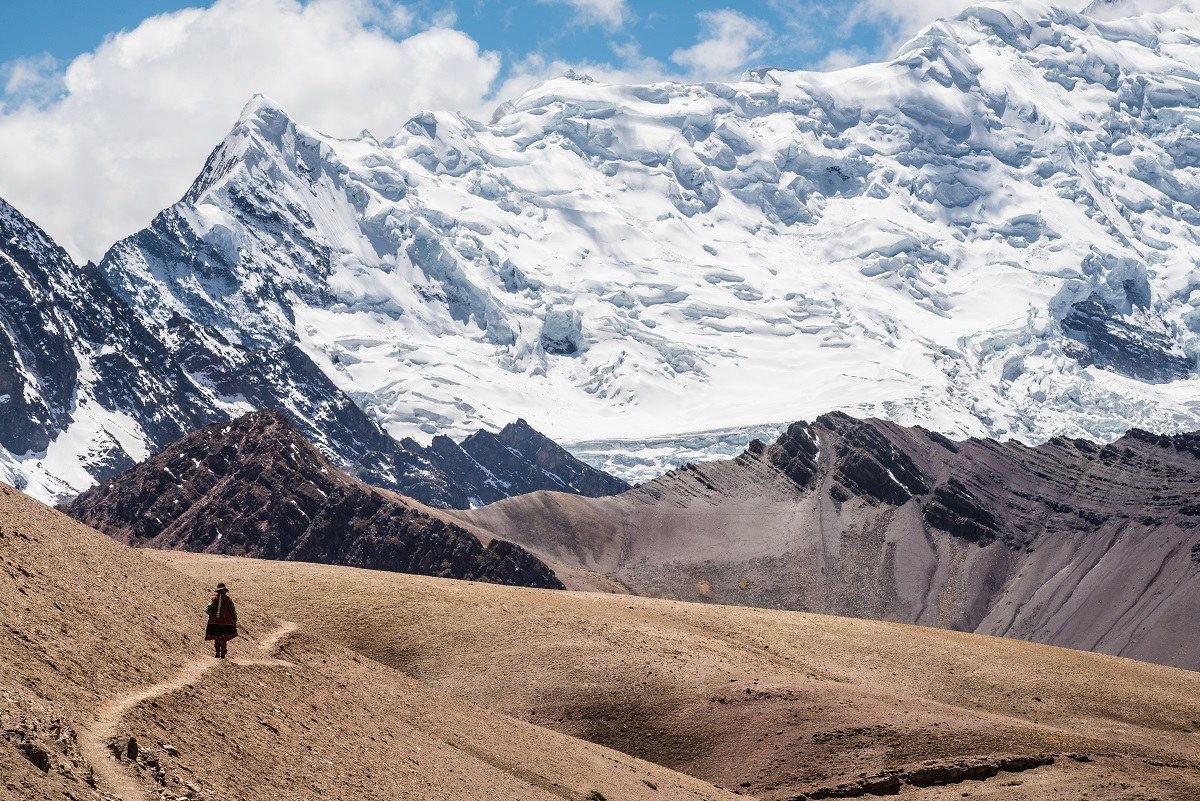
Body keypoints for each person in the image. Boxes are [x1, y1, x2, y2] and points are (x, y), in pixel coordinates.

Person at [204, 582, 238, 659]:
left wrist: (213, 615)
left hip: (214, 623)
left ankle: (217, 654)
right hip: (227, 623)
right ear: (225, 591)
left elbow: (207, 609)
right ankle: (223, 655)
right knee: (224, 639)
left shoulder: (214, 599)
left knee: (216, 637)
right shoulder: (229, 600)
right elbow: (233, 611)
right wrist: (234, 620)